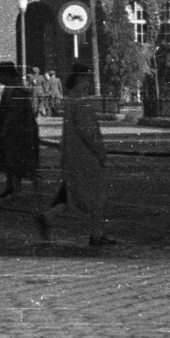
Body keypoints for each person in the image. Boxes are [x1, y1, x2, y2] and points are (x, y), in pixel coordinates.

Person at [38, 63, 113, 246]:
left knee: (73, 194)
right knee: (95, 195)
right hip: (86, 156)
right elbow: (88, 132)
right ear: (81, 78)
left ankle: (49, 217)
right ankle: (95, 234)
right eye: (87, 78)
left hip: (73, 154)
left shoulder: (71, 99)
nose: (89, 82)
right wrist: (100, 152)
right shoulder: (82, 101)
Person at [0, 62, 41, 200]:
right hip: (11, 130)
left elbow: (15, 113)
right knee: (10, 160)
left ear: (8, 75)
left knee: (18, 161)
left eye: (0, 76)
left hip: (19, 131)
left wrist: (5, 129)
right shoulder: (11, 88)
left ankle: (22, 190)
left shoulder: (17, 89)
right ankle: (10, 188)